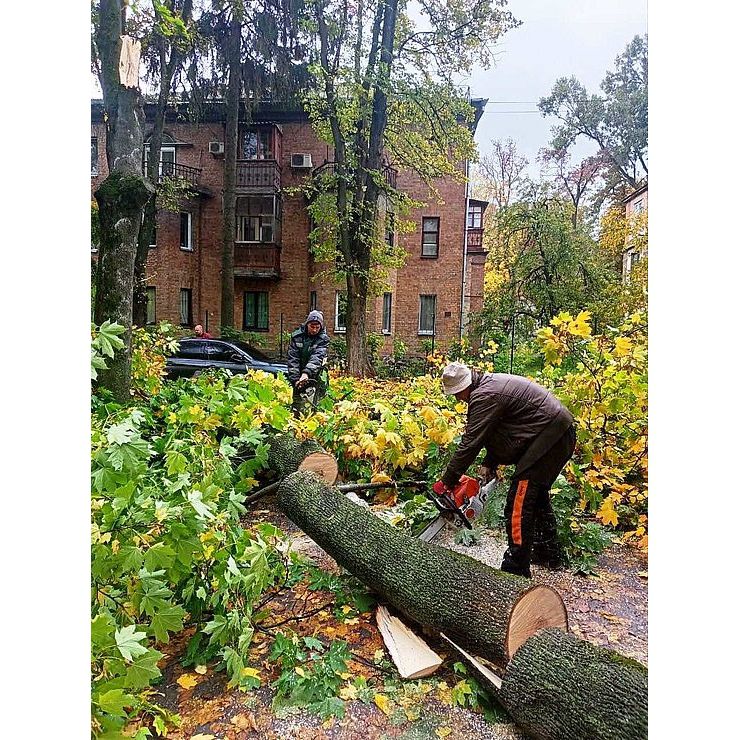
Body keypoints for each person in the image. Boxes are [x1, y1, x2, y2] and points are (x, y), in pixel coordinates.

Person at [433, 362, 576, 578]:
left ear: (464, 386)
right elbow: (502, 430)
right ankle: (547, 553)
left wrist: (448, 481)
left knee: (519, 501)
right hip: (557, 434)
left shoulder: (485, 396)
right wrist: (490, 463)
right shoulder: (489, 386)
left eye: (457, 393)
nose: (457, 398)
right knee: (533, 497)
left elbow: (470, 442)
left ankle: (516, 568)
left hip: (551, 436)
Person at [287, 310, 330, 414]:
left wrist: (306, 373)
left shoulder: (323, 339)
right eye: (312, 326)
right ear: (307, 324)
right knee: (297, 407)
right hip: (299, 376)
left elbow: (317, 357)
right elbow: (293, 359)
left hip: (316, 377)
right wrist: (295, 379)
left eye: (317, 327)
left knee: (315, 407)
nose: (314, 330)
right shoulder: (297, 337)